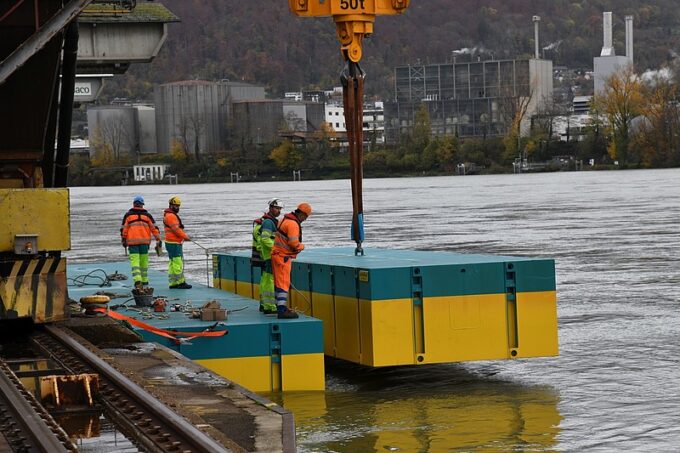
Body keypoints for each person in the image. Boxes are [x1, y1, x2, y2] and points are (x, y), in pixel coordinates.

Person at [271, 202, 312, 319]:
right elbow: (293, 243)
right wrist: (302, 246)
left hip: (276, 255)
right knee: (284, 284)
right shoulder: (293, 224)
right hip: (283, 257)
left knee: (278, 283)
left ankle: (280, 307)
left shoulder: (284, 219)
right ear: (303, 215)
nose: (305, 220)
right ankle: (282, 310)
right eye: (306, 217)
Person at [120, 195, 161, 288]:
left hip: (132, 243)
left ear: (134, 204)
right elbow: (154, 228)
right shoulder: (147, 216)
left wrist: (123, 239)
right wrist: (158, 239)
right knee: (144, 262)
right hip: (144, 243)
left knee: (135, 263)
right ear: (142, 205)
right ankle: (145, 281)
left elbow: (124, 229)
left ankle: (137, 281)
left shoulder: (128, 215)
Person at [252, 199, 284, 314]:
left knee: (265, 281)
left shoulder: (267, 221)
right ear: (270, 208)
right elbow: (265, 239)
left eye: (280, 209)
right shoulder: (269, 223)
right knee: (270, 281)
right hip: (270, 256)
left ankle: (265, 304)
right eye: (277, 208)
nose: (279, 211)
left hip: (266, 256)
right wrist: (278, 249)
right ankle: (270, 306)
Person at [163, 196, 192, 289]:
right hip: (174, 242)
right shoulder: (171, 216)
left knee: (172, 263)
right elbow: (176, 229)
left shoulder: (168, 215)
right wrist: (185, 236)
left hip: (170, 242)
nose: (177, 208)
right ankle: (180, 282)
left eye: (178, 206)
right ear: (170, 205)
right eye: (175, 206)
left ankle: (173, 282)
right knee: (177, 263)